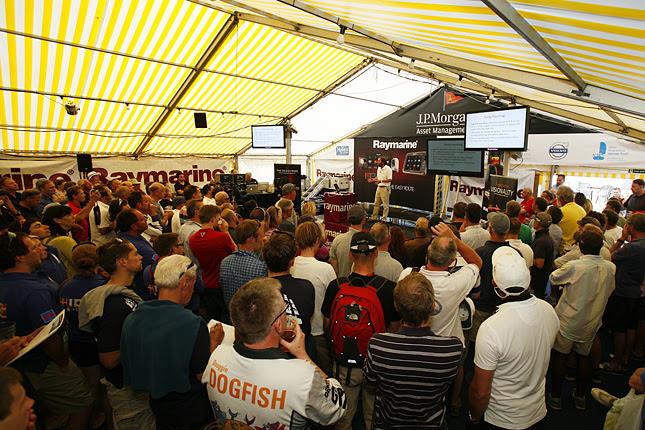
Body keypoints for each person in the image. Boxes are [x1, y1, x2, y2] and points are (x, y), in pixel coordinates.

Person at [202, 277, 346, 427]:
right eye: (285, 311)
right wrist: (303, 355)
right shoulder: (302, 377)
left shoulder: (215, 358)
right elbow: (338, 406)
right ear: (278, 324)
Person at [0, 233, 92, 430]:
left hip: (19, 362)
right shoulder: (35, 291)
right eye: (34, 248)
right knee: (81, 401)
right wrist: (62, 361)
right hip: (44, 363)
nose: (42, 249)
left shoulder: (10, 281)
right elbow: (50, 336)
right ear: (20, 257)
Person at [121, 255, 216, 430]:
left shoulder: (133, 318)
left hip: (156, 404)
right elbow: (203, 375)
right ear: (185, 282)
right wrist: (213, 345)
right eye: (193, 285)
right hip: (190, 409)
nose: (193, 291)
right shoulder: (192, 323)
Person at [468, 247, 559, 429]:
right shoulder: (550, 312)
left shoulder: (492, 328)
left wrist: (474, 417)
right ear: (529, 278)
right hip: (537, 413)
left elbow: (480, 392)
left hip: (500, 419)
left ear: (495, 284)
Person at [322, 232, 401, 430]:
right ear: (375, 254)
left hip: (344, 364)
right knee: (373, 416)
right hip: (376, 365)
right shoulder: (388, 289)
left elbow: (327, 325)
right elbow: (393, 330)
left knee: (343, 417)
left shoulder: (336, 286)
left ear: (350, 255)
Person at [365, 271, 463, 427]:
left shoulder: (378, 345)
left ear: (396, 306)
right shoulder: (451, 349)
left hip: (388, 423)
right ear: (432, 306)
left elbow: (370, 383)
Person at [78, 239, 155, 430]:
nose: (140, 257)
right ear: (122, 262)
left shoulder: (126, 293)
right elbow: (109, 358)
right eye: (135, 254)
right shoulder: (114, 305)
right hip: (126, 387)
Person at [548, 229, 615, 410]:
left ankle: (555, 395)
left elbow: (554, 278)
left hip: (569, 318)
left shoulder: (575, 266)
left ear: (581, 246)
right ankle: (580, 395)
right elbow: (610, 290)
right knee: (583, 357)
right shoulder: (610, 267)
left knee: (560, 356)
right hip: (592, 320)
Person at [58, 244, 108, 428]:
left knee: (86, 382)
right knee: (94, 386)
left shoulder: (65, 286)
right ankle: (94, 417)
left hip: (74, 341)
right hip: (95, 343)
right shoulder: (103, 286)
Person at [292, 221, 336, 373]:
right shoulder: (326, 269)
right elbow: (333, 304)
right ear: (317, 241)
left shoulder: (290, 265)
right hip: (318, 334)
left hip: (293, 333)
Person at [603, 213, 645, 372]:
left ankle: (616, 362)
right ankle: (626, 356)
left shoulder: (631, 248)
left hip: (623, 292)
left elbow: (609, 256)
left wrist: (621, 239)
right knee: (631, 326)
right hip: (638, 293)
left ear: (631, 227)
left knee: (619, 329)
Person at [263, 231, 315, 348]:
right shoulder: (306, 288)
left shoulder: (256, 292)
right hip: (301, 351)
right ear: (292, 262)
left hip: (269, 353)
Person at [468, 212, 513, 343]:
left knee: (476, 344)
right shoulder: (515, 253)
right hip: (504, 310)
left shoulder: (480, 253)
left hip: (481, 308)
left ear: (490, 228)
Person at [189, 204, 236, 321]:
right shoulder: (221, 237)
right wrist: (225, 231)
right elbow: (236, 252)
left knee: (213, 317)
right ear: (214, 219)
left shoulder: (193, 239)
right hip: (222, 282)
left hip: (206, 282)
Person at [220, 219, 267, 309]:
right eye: (261, 236)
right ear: (251, 239)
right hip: (251, 318)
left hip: (230, 314)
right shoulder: (260, 267)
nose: (263, 239)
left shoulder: (224, 262)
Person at [116, 209, 158, 300]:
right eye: (142, 219)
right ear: (134, 226)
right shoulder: (132, 245)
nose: (146, 220)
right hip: (144, 293)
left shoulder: (130, 235)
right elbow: (155, 265)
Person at [41, 204, 78, 277]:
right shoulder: (63, 240)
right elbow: (82, 261)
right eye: (69, 215)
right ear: (57, 220)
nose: (73, 217)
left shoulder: (48, 237)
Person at [330, 205, 366, 277]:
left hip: (341, 284)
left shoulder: (337, 240)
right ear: (363, 220)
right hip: (360, 285)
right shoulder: (368, 242)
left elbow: (335, 270)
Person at [530, 212, 555, 299]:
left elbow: (539, 264)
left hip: (538, 282)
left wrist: (526, 257)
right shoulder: (546, 237)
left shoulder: (541, 241)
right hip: (542, 280)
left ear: (538, 222)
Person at [178, 199, 203, 265]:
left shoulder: (183, 227)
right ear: (197, 212)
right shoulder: (198, 231)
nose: (207, 210)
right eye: (204, 208)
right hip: (198, 269)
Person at [369, 156, 392, 221]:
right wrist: (373, 180)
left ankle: (384, 219)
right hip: (379, 187)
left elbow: (390, 179)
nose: (377, 162)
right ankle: (374, 217)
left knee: (385, 205)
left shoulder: (388, 169)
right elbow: (378, 177)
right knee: (376, 203)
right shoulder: (378, 168)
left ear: (383, 162)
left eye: (379, 161)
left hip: (385, 188)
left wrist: (380, 181)